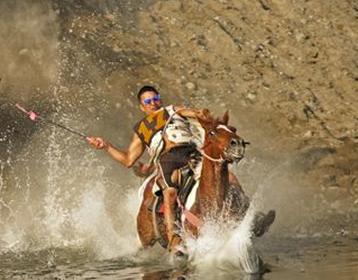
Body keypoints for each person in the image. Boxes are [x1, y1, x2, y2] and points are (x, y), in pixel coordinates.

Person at [86, 86, 274, 249]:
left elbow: (191, 113)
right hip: (168, 160)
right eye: (148, 101)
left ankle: (252, 217)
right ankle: (174, 238)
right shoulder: (142, 128)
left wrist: (200, 114)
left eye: (156, 98)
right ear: (142, 106)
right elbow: (128, 160)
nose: (153, 103)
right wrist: (106, 146)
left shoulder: (172, 111)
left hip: (193, 154)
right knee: (169, 192)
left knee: (229, 177)